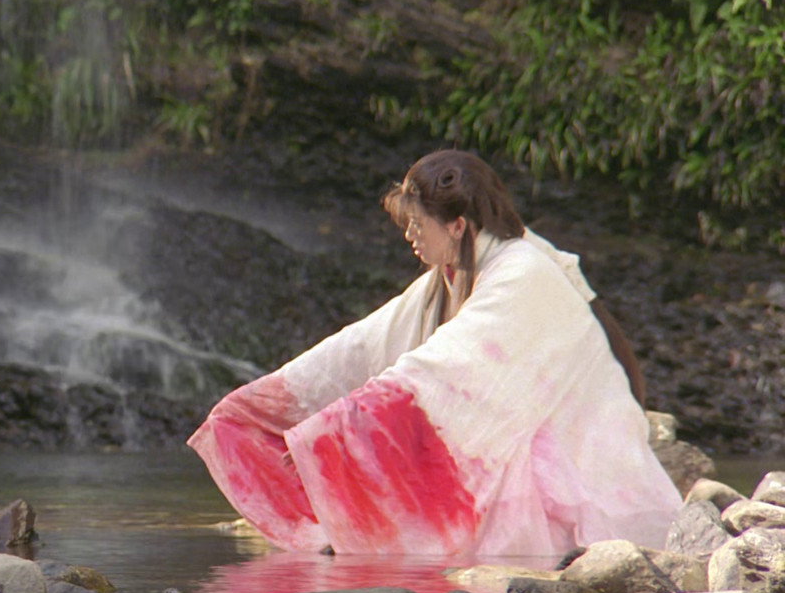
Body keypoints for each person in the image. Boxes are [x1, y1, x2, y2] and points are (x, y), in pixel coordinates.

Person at [188, 149, 681, 556]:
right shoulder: (451, 275)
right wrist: (262, 403)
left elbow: (440, 366)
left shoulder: (523, 273)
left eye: (417, 225)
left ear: (459, 226)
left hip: (584, 451)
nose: (409, 236)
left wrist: (330, 430)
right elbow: (363, 344)